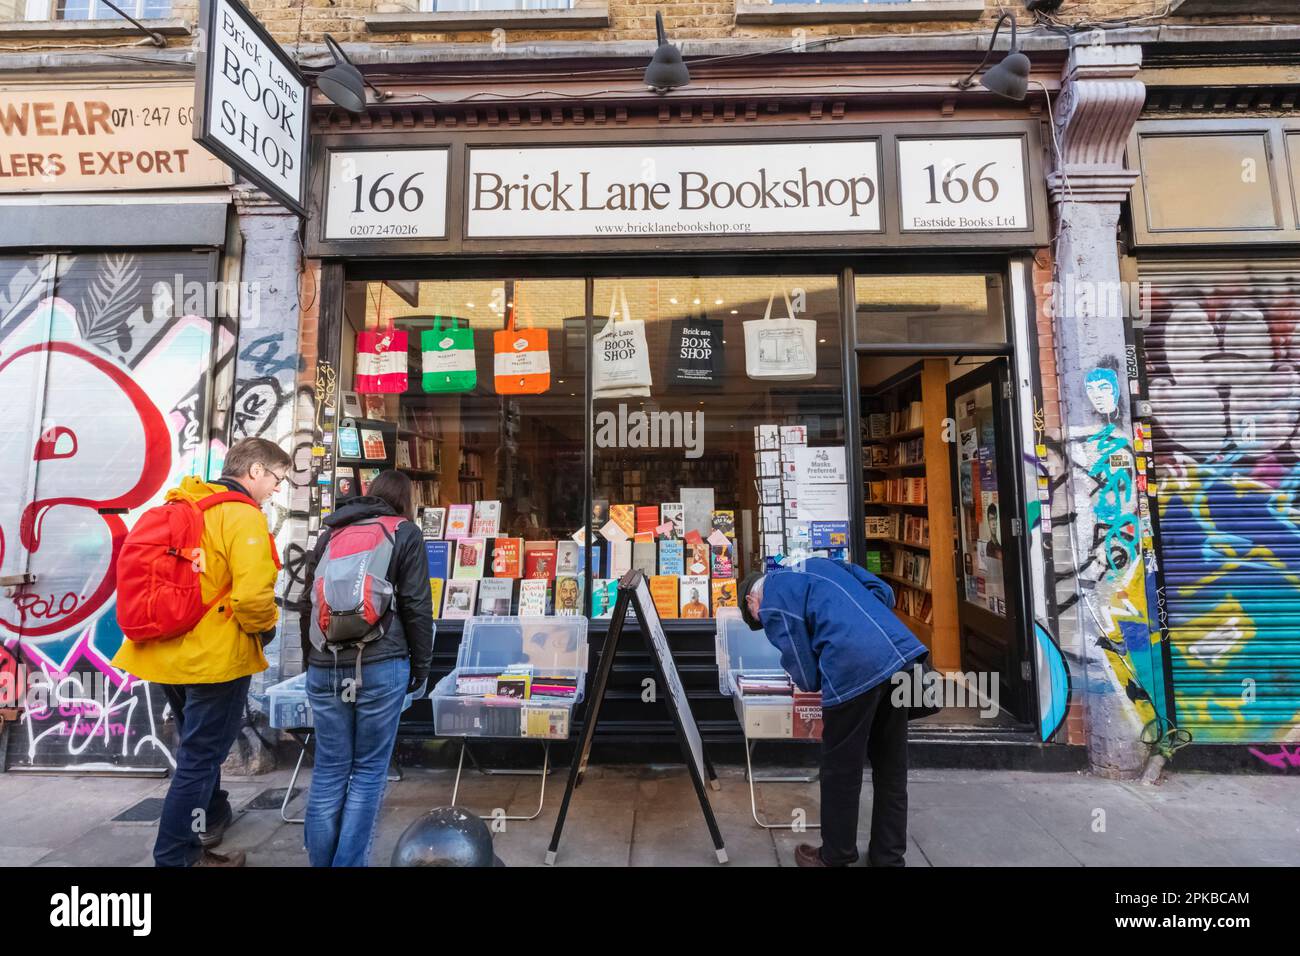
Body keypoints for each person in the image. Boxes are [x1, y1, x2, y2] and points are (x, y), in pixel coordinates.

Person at [113, 437, 289, 867]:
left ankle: (205, 827)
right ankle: (178, 857)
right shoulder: (243, 516)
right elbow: (252, 598)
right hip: (213, 661)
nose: (277, 490)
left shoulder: (185, 503)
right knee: (200, 760)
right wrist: (264, 630)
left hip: (163, 655)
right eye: (277, 479)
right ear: (255, 472)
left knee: (197, 752)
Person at [738, 557, 927, 867]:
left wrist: (845, 643)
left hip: (853, 670)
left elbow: (807, 675)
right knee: (891, 767)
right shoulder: (815, 564)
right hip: (898, 654)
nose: (762, 621)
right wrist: (859, 626)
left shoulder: (771, 601)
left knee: (841, 770)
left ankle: (835, 856)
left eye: (755, 618)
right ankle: (888, 857)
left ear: (751, 600)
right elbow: (883, 592)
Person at [297, 470, 433, 867]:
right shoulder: (404, 532)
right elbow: (416, 607)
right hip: (381, 663)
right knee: (370, 772)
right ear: (406, 500)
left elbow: (308, 603)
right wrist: (421, 667)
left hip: (324, 665)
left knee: (328, 771)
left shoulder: (331, 534)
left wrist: (314, 659)